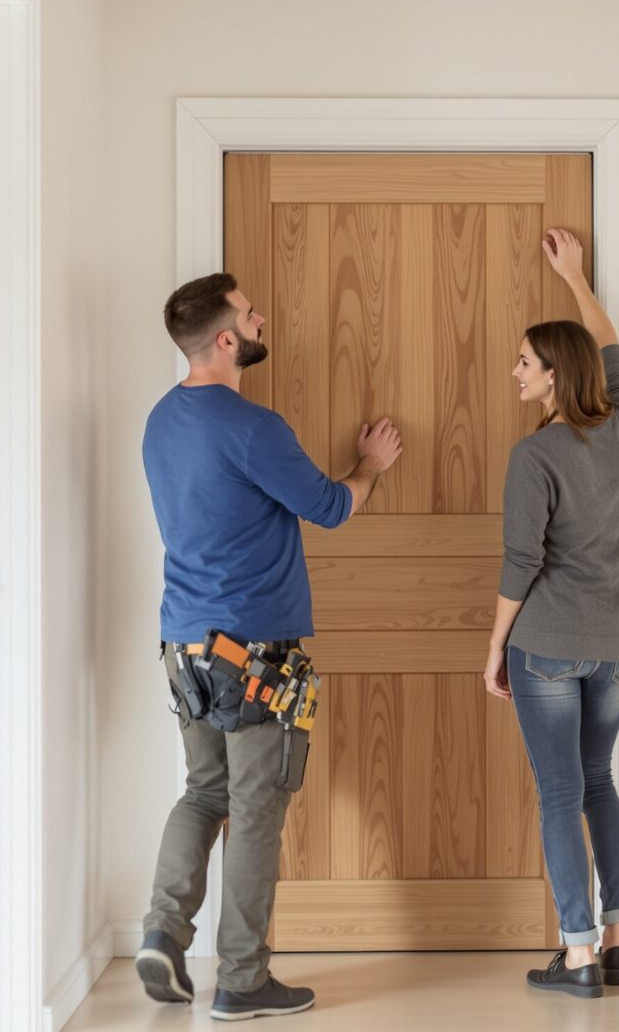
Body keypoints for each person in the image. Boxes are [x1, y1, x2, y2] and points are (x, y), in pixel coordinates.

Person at [136, 272, 402, 1021]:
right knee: (253, 810)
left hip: (183, 644)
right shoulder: (253, 428)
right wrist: (371, 466)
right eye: (251, 315)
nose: (261, 321)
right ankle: (243, 979)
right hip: (253, 654)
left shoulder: (160, 421)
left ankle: (163, 928)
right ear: (226, 339)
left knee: (204, 793)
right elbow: (329, 507)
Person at [481, 228, 619, 1000]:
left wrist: (494, 650)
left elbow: (522, 564)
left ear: (552, 377)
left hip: (546, 645)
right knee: (597, 781)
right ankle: (616, 941)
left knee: (559, 796)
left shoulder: (536, 456)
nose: (514, 372)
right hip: (618, 647)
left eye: (524, 362)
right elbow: (606, 344)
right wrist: (576, 278)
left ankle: (576, 957)